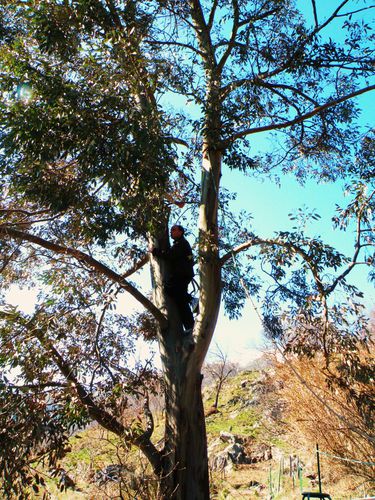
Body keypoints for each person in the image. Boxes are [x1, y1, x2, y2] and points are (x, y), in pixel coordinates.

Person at [151, 225, 195, 333]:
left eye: (174, 230)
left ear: (181, 232)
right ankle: (189, 323)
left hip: (182, 274)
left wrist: (155, 251)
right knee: (178, 297)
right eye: (171, 230)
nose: (171, 232)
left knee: (178, 297)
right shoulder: (178, 244)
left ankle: (190, 322)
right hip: (182, 274)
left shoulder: (182, 243)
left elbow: (170, 255)